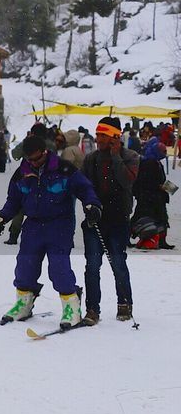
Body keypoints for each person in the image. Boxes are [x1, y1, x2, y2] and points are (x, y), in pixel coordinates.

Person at [0, 134, 101, 328]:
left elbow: (85, 188)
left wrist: (92, 205)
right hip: (33, 224)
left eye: (36, 158)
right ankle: (24, 303)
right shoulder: (22, 173)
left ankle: (71, 306)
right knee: (25, 265)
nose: (33, 163)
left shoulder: (64, 169)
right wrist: (2, 217)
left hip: (59, 224)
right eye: (29, 159)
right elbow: (14, 200)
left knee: (58, 267)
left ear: (44, 152)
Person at [81, 117, 138, 322]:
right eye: (97, 135)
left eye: (103, 135)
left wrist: (115, 156)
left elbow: (126, 181)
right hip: (95, 219)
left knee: (118, 263)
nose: (98, 139)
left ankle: (124, 303)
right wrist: (89, 205)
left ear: (115, 136)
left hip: (118, 219)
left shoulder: (130, 156)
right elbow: (83, 186)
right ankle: (92, 309)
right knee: (92, 265)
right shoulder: (91, 159)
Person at [131, 137, 172, 249]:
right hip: (149, 197)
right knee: (148, 218)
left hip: (154, 196)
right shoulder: (149, 163)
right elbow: (146, 181)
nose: (164, 154)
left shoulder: (155, 162)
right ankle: (135, 238)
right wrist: (159, 186)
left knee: (159, 218)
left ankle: (160, 241)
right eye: (163, 152)